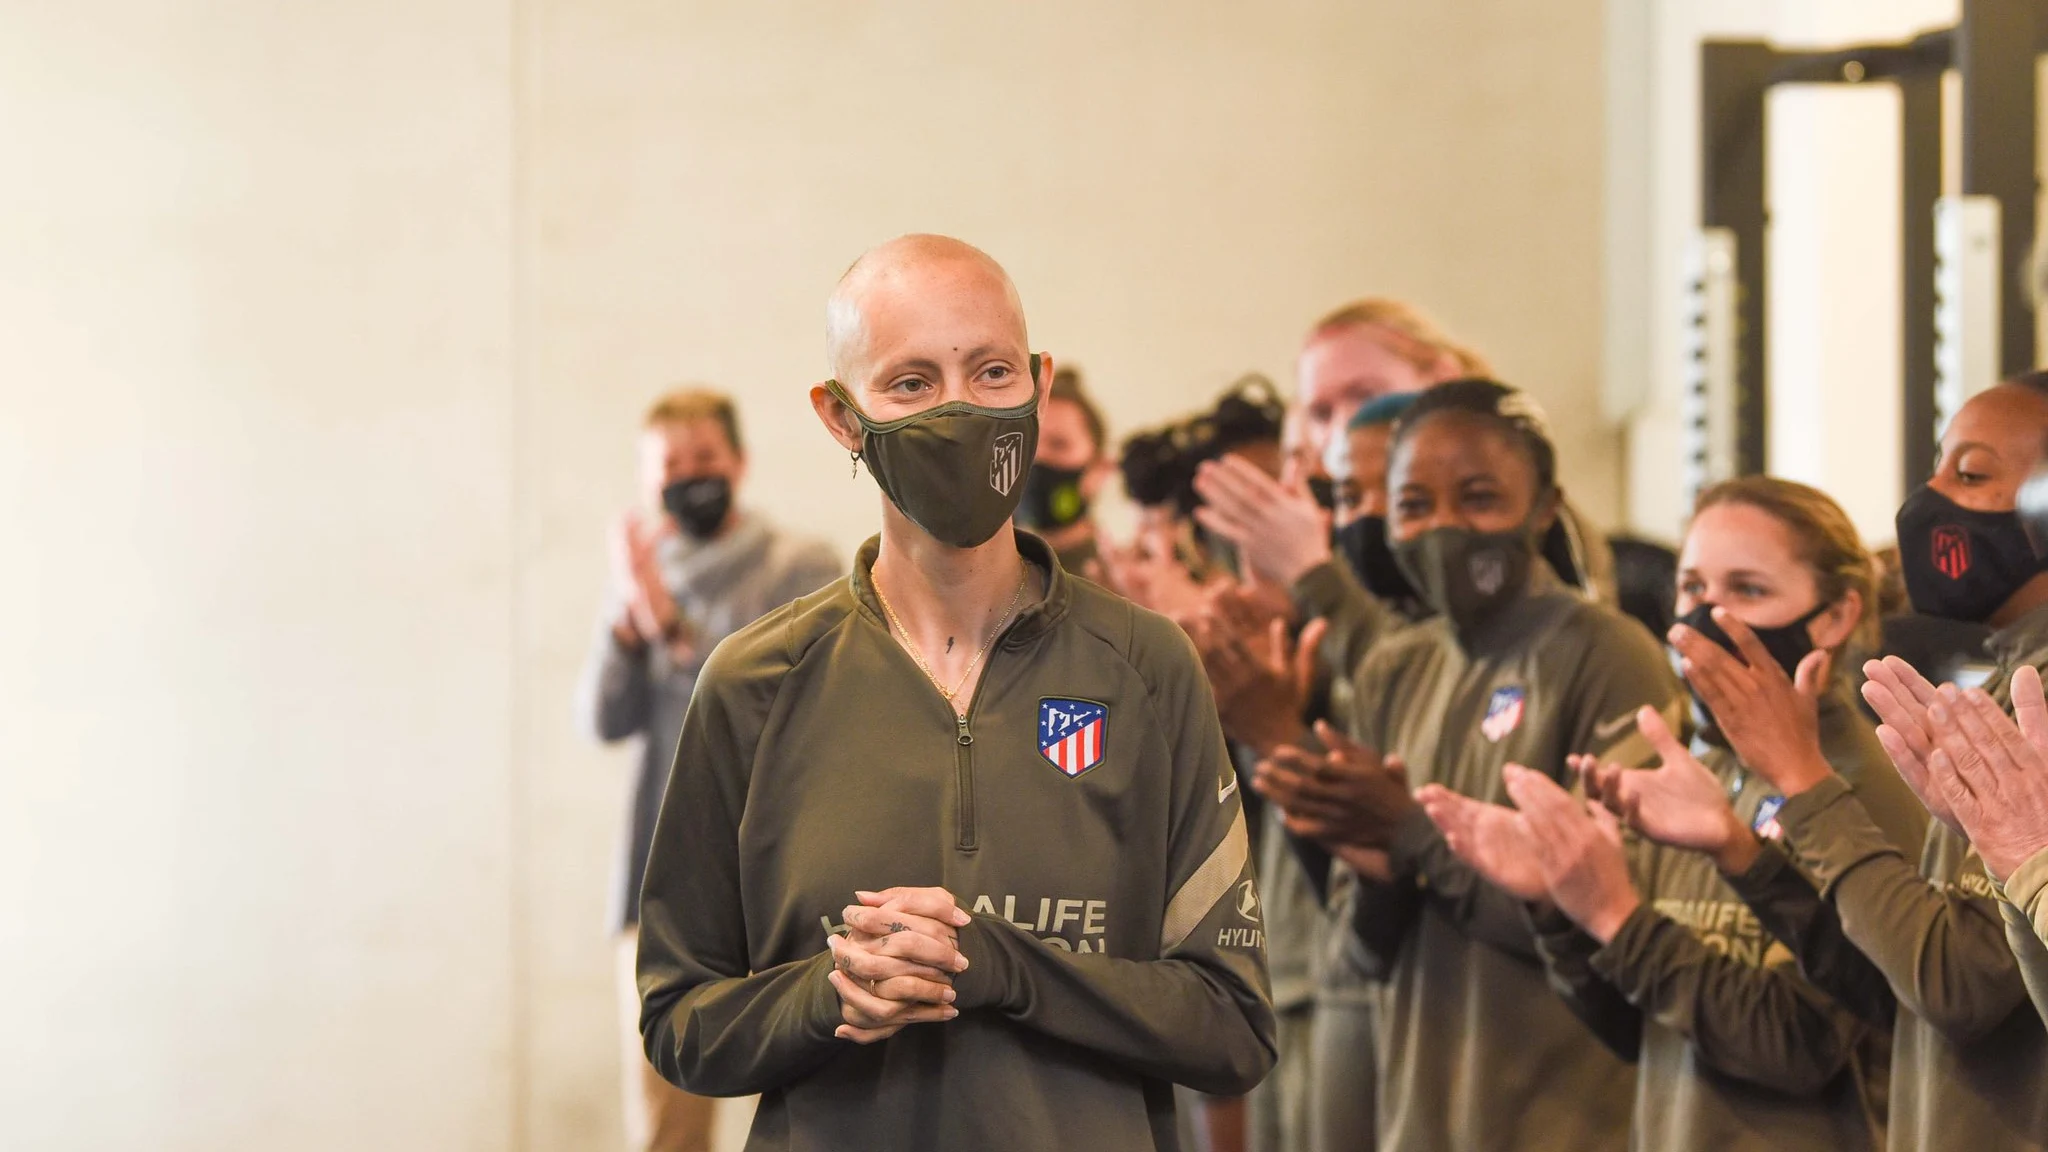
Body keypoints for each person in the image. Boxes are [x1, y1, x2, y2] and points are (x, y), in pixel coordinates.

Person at [634, 234, 1275, 1152]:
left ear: (1040, 388)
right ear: (841, 417)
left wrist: (1010, 970)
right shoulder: (753, 683)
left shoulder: (1147, 668)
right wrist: (829, 993)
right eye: (911, 384)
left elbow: (1233, 1026)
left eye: (992, 372)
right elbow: (677, 1019)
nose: (961, 410)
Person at [1424, 475, 1927, 1151]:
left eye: (1747, 590)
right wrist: (1561, 906)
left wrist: (1618, 918)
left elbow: (1801, 1048)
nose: (1706, 617)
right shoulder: (1697, 768)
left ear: (1834, 616)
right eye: (1693, 589)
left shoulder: (1862, 789)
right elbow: (1637, 1029)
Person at [1251, 379, 1679, 1152]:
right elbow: (1361, 953)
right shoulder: (1396, 668)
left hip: (1567, 1119)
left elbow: (1619, 927)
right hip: (1421, 1114)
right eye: (1414, 506)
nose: (1445, 529)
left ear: (1544, 507)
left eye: (1478, 498)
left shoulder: (1605, 654)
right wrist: (1368, 854)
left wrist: (1413, 839)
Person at [1674, 375, 2048, 1151]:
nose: (1928, 500)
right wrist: (1746, 858)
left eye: (1970, 475)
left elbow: (1959, 987)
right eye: (1938, 467)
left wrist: (1804, 779)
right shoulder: (2013, 683)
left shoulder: (2037, 702)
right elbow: (1890, 991)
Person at [574, 387, 841, 1152]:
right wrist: (631, 622)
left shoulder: (800, 567)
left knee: (814, 1106)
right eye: (671, 465)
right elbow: (601, 719)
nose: (690, 477)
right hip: (660, 886)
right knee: (665, 1124)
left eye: (705, 460)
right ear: (645, 480)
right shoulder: (641, 580)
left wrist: (671, 627)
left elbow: (765, 712)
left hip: (781, 882)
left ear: (739, 463)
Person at [1015, 364, 1114, 574]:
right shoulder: (978, 579)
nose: (1036, 457)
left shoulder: (1124, 582)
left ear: (1100, 469)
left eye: (1059, 444)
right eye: (1027, 442)